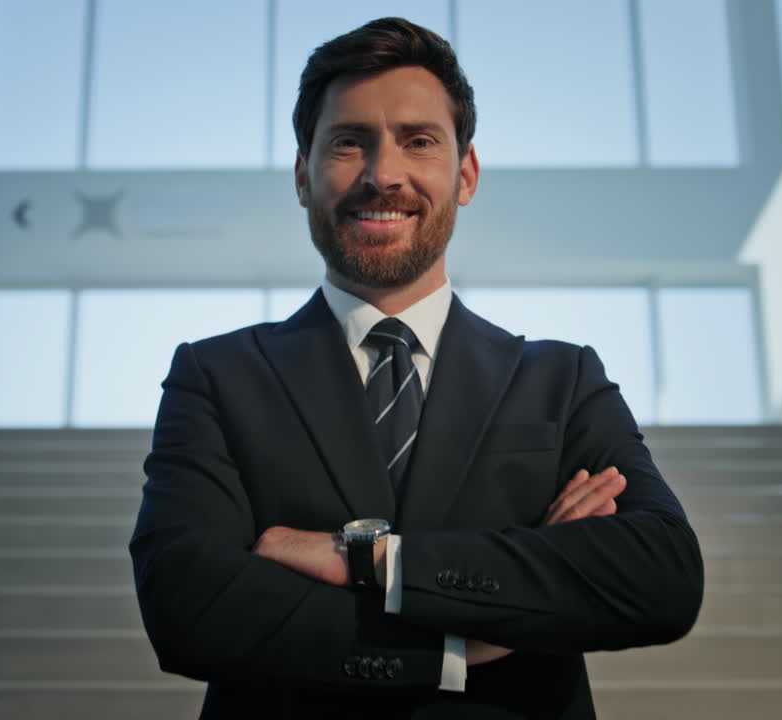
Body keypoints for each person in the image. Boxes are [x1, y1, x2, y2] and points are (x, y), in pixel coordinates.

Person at [130, 17, 704, 719]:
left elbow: (659, 578)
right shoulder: (216, 375)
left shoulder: (563, 379)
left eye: (419, 141)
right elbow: (189, 604)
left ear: (464, 175)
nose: (383, 175)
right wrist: (460, 644)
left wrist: (373, 562)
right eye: (348, 143)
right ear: (303, 177)